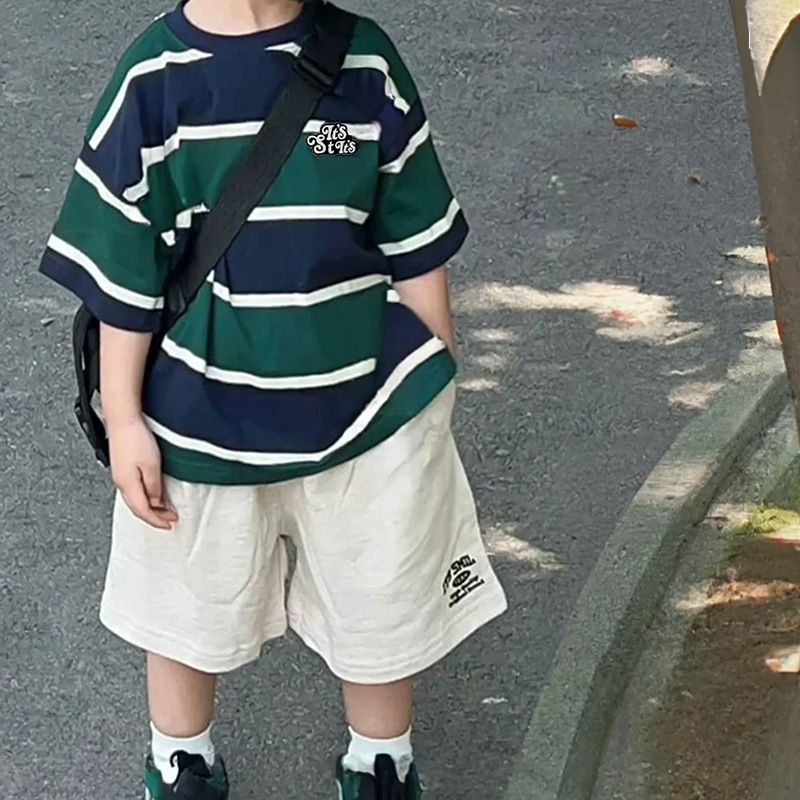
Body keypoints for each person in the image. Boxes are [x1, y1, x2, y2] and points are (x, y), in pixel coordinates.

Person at [38, 0, 508, 797]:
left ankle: (380, 763)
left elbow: (416, 234)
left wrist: (438, 378)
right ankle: (180, 763)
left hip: (367, 410)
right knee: (186, 607)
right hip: (199, 419)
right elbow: (124, 269)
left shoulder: (365, 61)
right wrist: (124, 417)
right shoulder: (153, 77)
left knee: (380, 595)